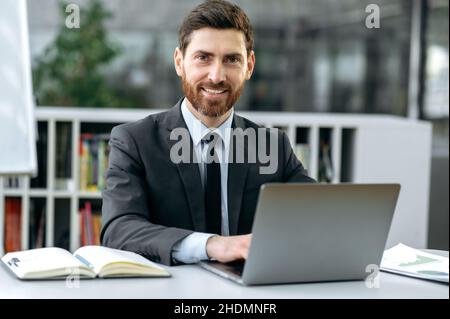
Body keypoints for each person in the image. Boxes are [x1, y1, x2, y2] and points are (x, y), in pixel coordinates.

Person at [101, 0, 315, 266]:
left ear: (249, 66)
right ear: (179, 62)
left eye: (231, 60)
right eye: (203, 58)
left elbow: (314, 215)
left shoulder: (272, 145)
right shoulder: (134, 142)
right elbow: (119, 229)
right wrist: (213, 245)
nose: (216, 76)